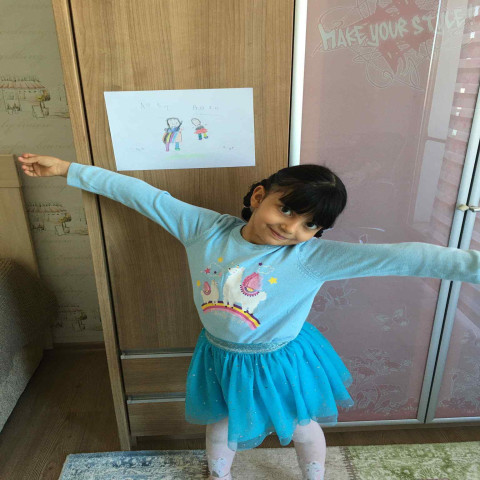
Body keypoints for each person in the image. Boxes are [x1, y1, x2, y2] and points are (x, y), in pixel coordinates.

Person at [17, 153, 480, 480]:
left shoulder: (313, 257)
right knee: (221, 425)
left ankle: (315, 476)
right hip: (221, 356)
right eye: (286, 209)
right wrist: (68, 169)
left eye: (309, 224)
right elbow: (141, 195)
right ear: (260, 195)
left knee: (301, 426)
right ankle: (219, 475)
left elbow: (405, 256)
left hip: (281, 360)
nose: (291, 227)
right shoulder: (204, 229)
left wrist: (473, 266)